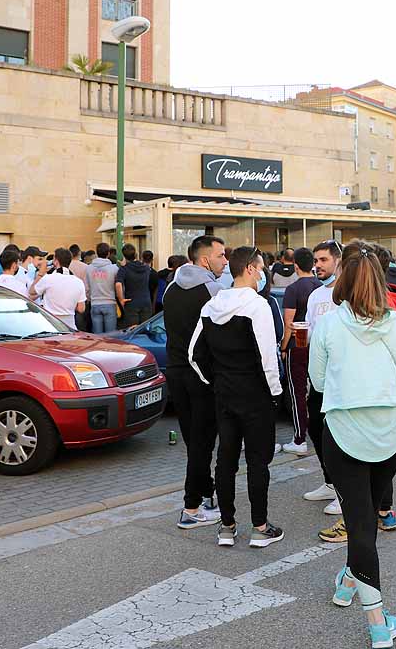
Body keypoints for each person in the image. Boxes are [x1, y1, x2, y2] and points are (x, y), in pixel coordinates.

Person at [308, 241, 396, 647]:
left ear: (343, 279)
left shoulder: (330, 325)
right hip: (390, 431)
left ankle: (376, 624)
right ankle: (349, 583)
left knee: (360, 525)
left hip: (344, 431)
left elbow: (317, 382)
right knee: (366, 515)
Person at [188, 246, 284, 549]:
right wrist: (276, 393)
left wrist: (214, 380)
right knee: (258, 462)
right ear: (252, 269)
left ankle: (227, 526)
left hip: (224, 394)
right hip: (255, 395)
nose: (264, 272)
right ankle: (260, 526)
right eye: (262, 266)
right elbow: (268, 357)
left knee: (225, 460)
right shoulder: (258, 306)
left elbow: (194, 354)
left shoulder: (211, 306)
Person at [163, 234, 227, 529]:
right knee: (202, 442)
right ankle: (191, 508)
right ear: (205, 259)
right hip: (201, 375)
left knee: (194, 441)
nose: (225, 261)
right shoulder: (212, 291)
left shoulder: (171, 288)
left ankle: (207, 491)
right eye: (221, 255)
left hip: (175, 373)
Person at [304, 240, 352, 542]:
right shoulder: (314, 295)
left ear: (337, 260)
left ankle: (344, 492)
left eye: (323, 259)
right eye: (316, 260)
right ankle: (329, 481)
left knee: (338, 436)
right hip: (319, 375)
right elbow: (309, 331)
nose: (318, 265)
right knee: (315, 428)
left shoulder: (345, 294)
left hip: (342, 378)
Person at [280, 247, 321, 456]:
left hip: (298, 345)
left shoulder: (293, 289)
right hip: (319, 346)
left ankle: (300, 439)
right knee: (320, 390)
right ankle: (323, 435)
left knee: (297, 392)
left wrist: (283, 346)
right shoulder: (321, 287)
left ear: (295, 266)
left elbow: (289, 324)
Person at [32, 248, 87, 330]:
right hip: (70, 325)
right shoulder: (78, 282)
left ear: (56, 261)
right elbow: (81, 309)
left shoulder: (48, 278)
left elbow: (32, 291)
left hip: (50, 324)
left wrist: (40, 274)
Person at [116, 243, 157, 328]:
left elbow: (118, 284)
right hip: (146, 301)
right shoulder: (145, 268)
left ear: (124, 256)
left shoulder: (124, 269)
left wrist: (121, 299)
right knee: (145, 328)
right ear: (136, 254)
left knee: (133, 330)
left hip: (131, 302)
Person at [86, 243, 119, 333]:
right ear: (108, 253)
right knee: (111, 336)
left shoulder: (89, 268)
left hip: (95, 303)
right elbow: (118, 286)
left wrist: (90, 299)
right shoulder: (114, 268)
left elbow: (87, 288)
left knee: (98, 337)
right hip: (110, 302)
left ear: (97, 253)